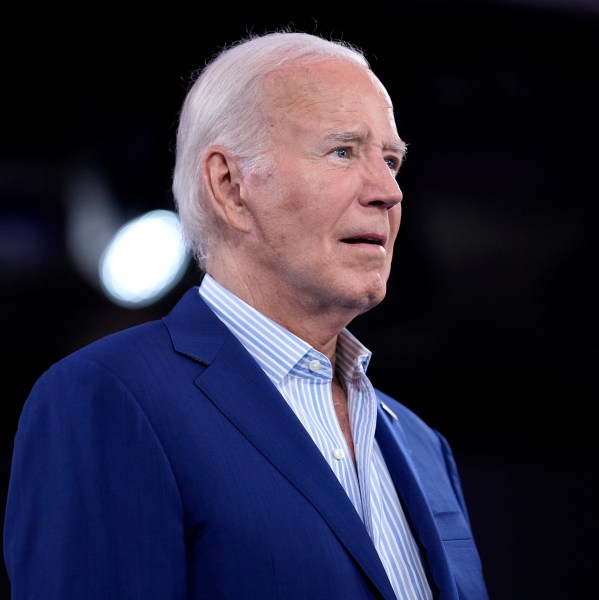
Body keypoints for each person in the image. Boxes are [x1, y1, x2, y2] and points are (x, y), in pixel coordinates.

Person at [3, 29, 489, 599]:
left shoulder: (424, 446)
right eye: (343, 151)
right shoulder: (108, 397)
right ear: (230, 185)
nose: (388, 190)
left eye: (391, 160)